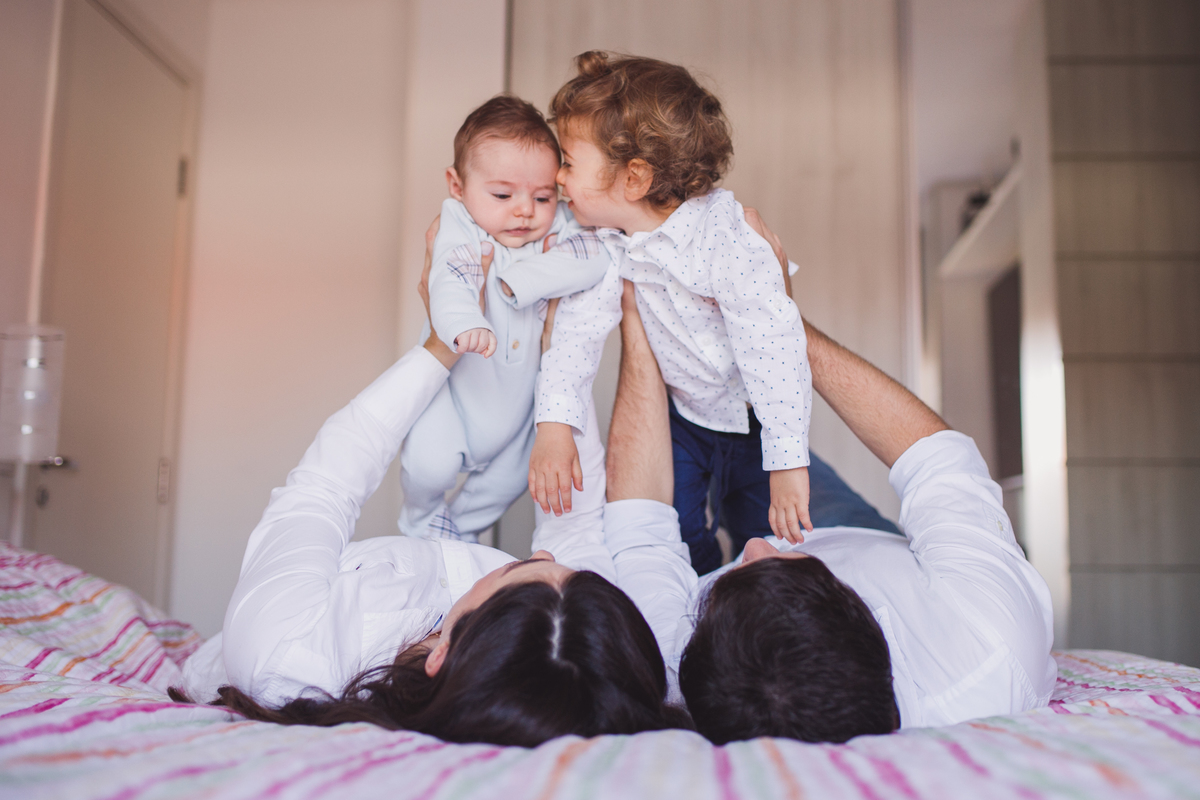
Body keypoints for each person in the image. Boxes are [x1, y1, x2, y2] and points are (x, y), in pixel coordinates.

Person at [176, 227, 686, 748]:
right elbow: (573, 520)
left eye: (520, 565)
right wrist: (559, 370)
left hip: (262, 626)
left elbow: (324, 486)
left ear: (443, 653)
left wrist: (438, 351)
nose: (546, 551)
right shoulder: (596, 646)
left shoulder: (285, 649)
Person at [601, 253, 1057, 743]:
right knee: (753, 428)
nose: (761, 544)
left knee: (681, 430)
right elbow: (935, 459)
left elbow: (642, 529)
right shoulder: (989, 636)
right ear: (859, 606)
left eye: (744, 569)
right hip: (852, 537)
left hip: (719, 580)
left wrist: (637, 315)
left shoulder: (681, 669)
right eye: (782, 562)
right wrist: (776, 322)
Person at [528, 52, 816, 574]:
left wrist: (788, 460)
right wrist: (554, 426)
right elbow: (576, 335)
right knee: (674, 535)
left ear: (634, 178)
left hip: (754, 420)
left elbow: (774, 346)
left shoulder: (727, 238)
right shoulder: (602, 243)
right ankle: (704, 588)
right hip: (683, 420)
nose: (558, 177)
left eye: (569, 162)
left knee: (774, 539)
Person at [399, 96, 610, 542]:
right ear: (457, 185)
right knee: (426, 464)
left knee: (511, 483)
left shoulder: (563, 227)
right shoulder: (460, 225)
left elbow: (594, 260)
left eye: (542, 196)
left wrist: (520, 278)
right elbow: (450, 277)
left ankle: (459, 538)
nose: (524, 210)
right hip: (453, 397)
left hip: (518, 414)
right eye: (502, 195)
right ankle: (419, 521)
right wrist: (461, 322)